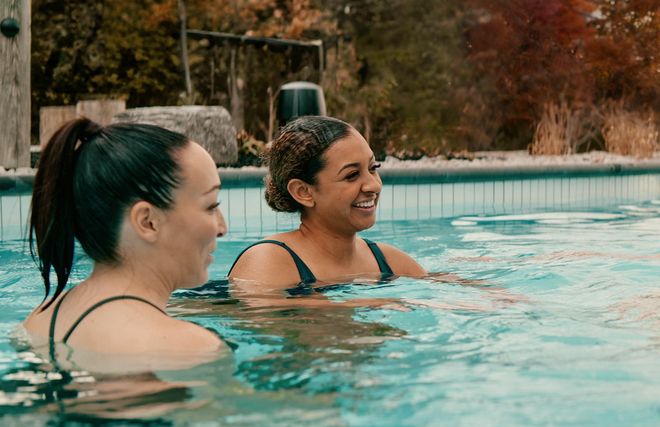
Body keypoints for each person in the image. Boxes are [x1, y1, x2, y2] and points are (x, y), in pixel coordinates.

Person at [21, 118, 228, 365]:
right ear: (148, 221)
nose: (222, 228)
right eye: (210, 205)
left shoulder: (40, 321)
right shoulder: (189, 347)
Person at [229, 116, 426, 288]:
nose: (373, 185)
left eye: (373, 167)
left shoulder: (388, 262)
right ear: (304, 192)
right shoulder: (268, 260)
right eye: (352, 175)